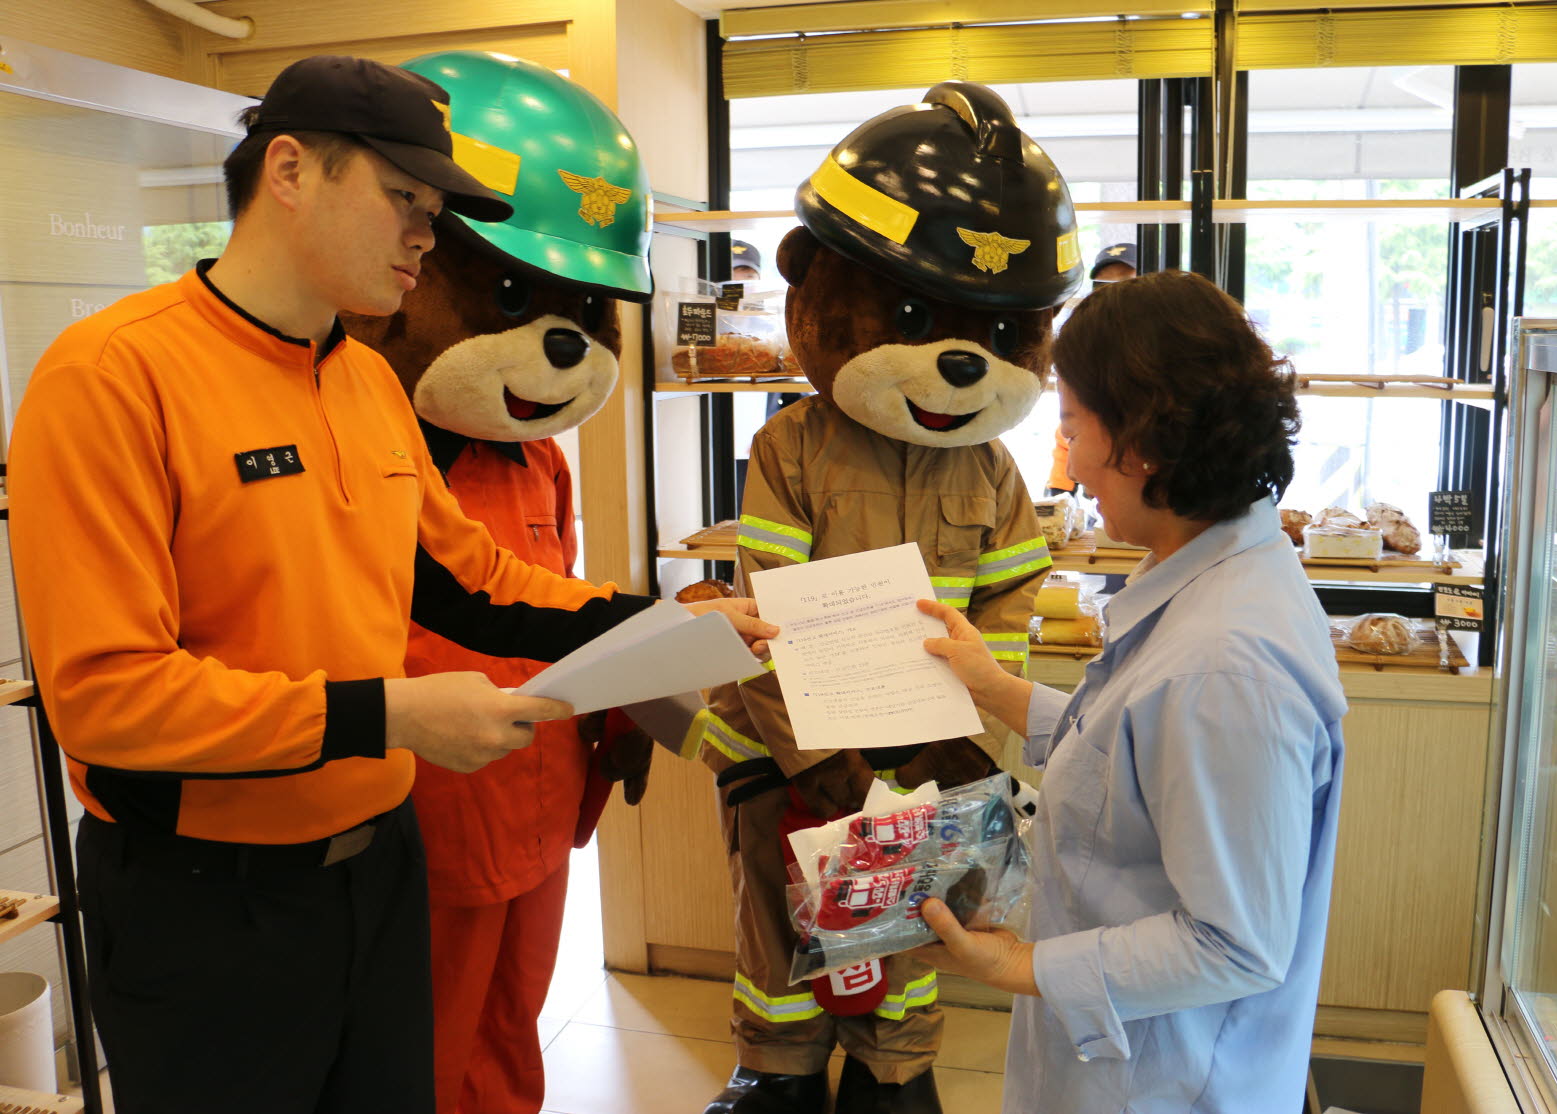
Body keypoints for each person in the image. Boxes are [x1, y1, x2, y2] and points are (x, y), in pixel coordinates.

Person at [6, 55, 774, 1114]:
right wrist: (393, 716)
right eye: (403, 198)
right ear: (288, 171)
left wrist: (666, 624)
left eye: (436, 210)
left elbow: (471, 584)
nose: (426, 235)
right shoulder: (110, 376)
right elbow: (107, 698)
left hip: (382, 871)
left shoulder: (365, 379)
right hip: (206, 897)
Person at [914, 270, 1347, 1113]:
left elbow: (1235, 944)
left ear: (1144, 438)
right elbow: (1134, 759)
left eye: (1073, 425)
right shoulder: (1215, 569)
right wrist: (996, 688)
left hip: (1161, 1084)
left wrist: (1019, 964)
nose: (1069, 461)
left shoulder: (1224, 667)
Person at [1045, 243, 1140, 496]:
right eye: (1103, 285)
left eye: (1126, 283)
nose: (1114, 293)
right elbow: (1069, 427)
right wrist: (1060, 489)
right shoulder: (1085, 345)